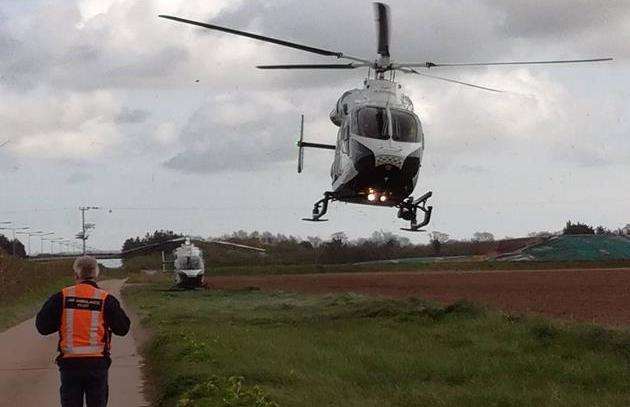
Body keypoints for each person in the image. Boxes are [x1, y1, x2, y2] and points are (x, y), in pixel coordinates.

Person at [36, 256, 130, 407]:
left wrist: (61, 322)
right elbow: (123, 328)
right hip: (97, 364)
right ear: (96, 274)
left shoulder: (62, 297)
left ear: (76, 275)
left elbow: (42, 327)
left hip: (70, 364)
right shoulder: (106, 299)